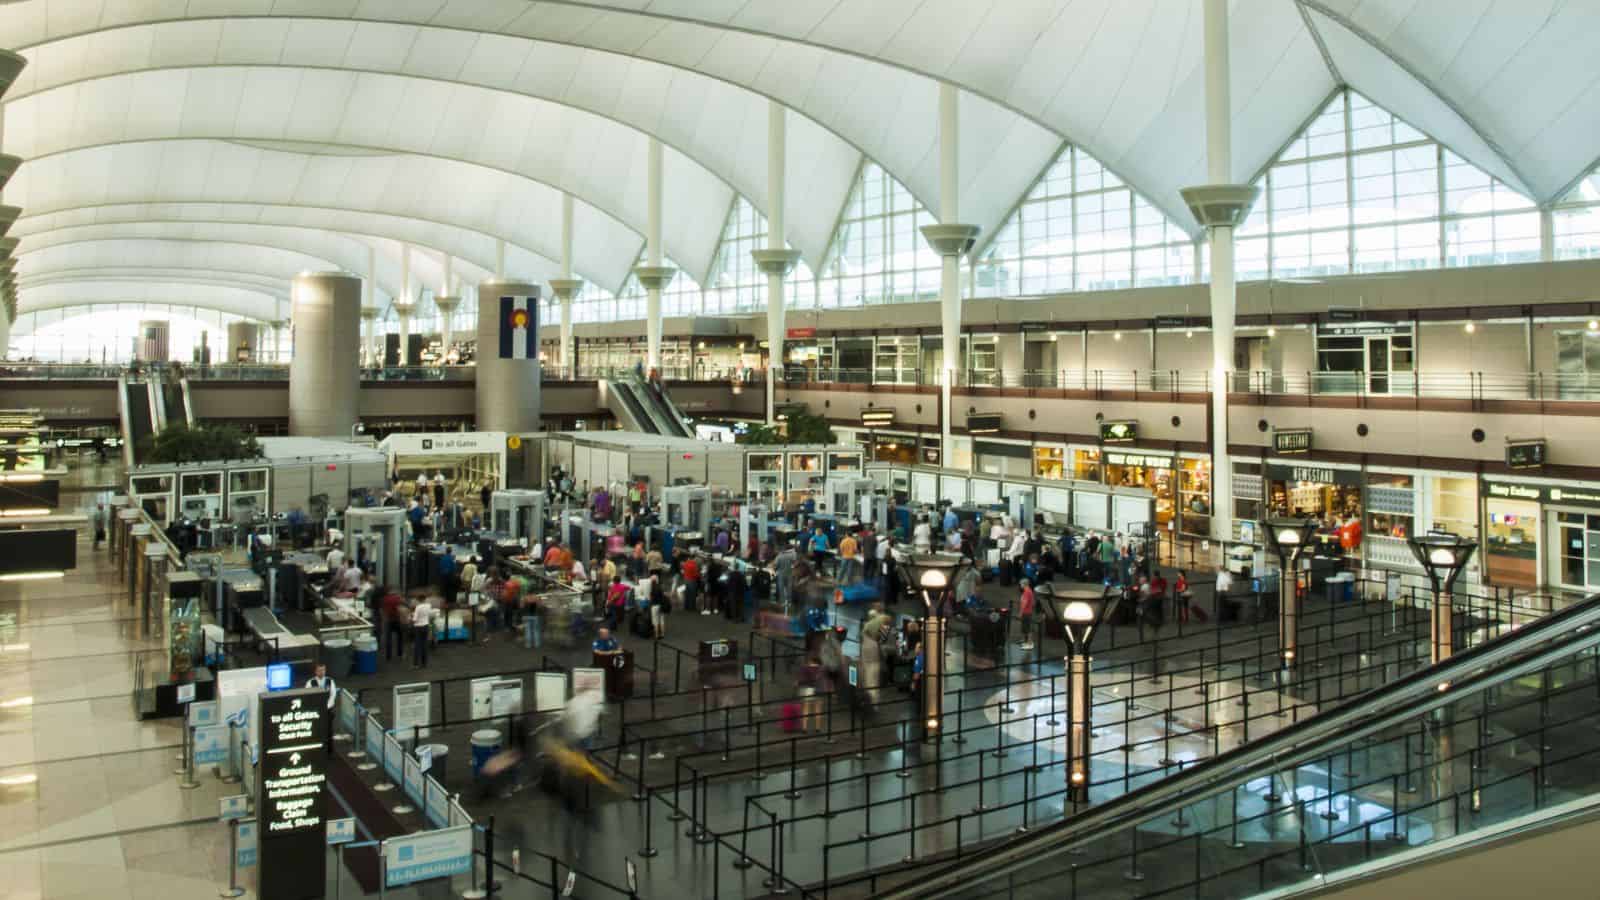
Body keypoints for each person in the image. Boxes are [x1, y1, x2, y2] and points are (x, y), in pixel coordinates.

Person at [381, 586, 407, 661]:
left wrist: (384, 618)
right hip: (397, 620)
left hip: (388, 620)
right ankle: (400, 653)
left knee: (388, 639)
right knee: (400, 638)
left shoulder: (384, 599)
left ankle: (388, 656)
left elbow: (382, 609)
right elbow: (403, 607)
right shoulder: (398, 598)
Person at [410, 594, 434, 668]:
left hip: (418, 628)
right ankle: (424, 663)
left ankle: (415, 664)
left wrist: (411, 617)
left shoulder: (418, 607)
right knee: (424, 645)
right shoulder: (429, 606)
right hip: (426, 626)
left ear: (418, 600)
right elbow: (430, 615)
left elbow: (415, 619)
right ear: (425, 599)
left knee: (417, 646)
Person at [773, 543, 796, 612]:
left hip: (781, 574)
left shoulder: (779, 556)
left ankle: (782, 602)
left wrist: (775, 569)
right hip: (789, 573)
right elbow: (794, 562)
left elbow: (775, 565)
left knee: (781, 588)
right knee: (789, 588)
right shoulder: (790, 555)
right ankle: (789, 602)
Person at [1017, 579, 1036, 651]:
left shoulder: (1027, 592)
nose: (1020, 585)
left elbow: (1024, 603)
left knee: (1028, 629)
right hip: (1028, 612)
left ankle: (1030, 644)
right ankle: (1026, 642)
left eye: (1020, 584)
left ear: (1024, 584)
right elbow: (1033, 602)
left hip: (1026, 613)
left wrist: (1020, 613)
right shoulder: (1029, 591)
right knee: (1025, 628)